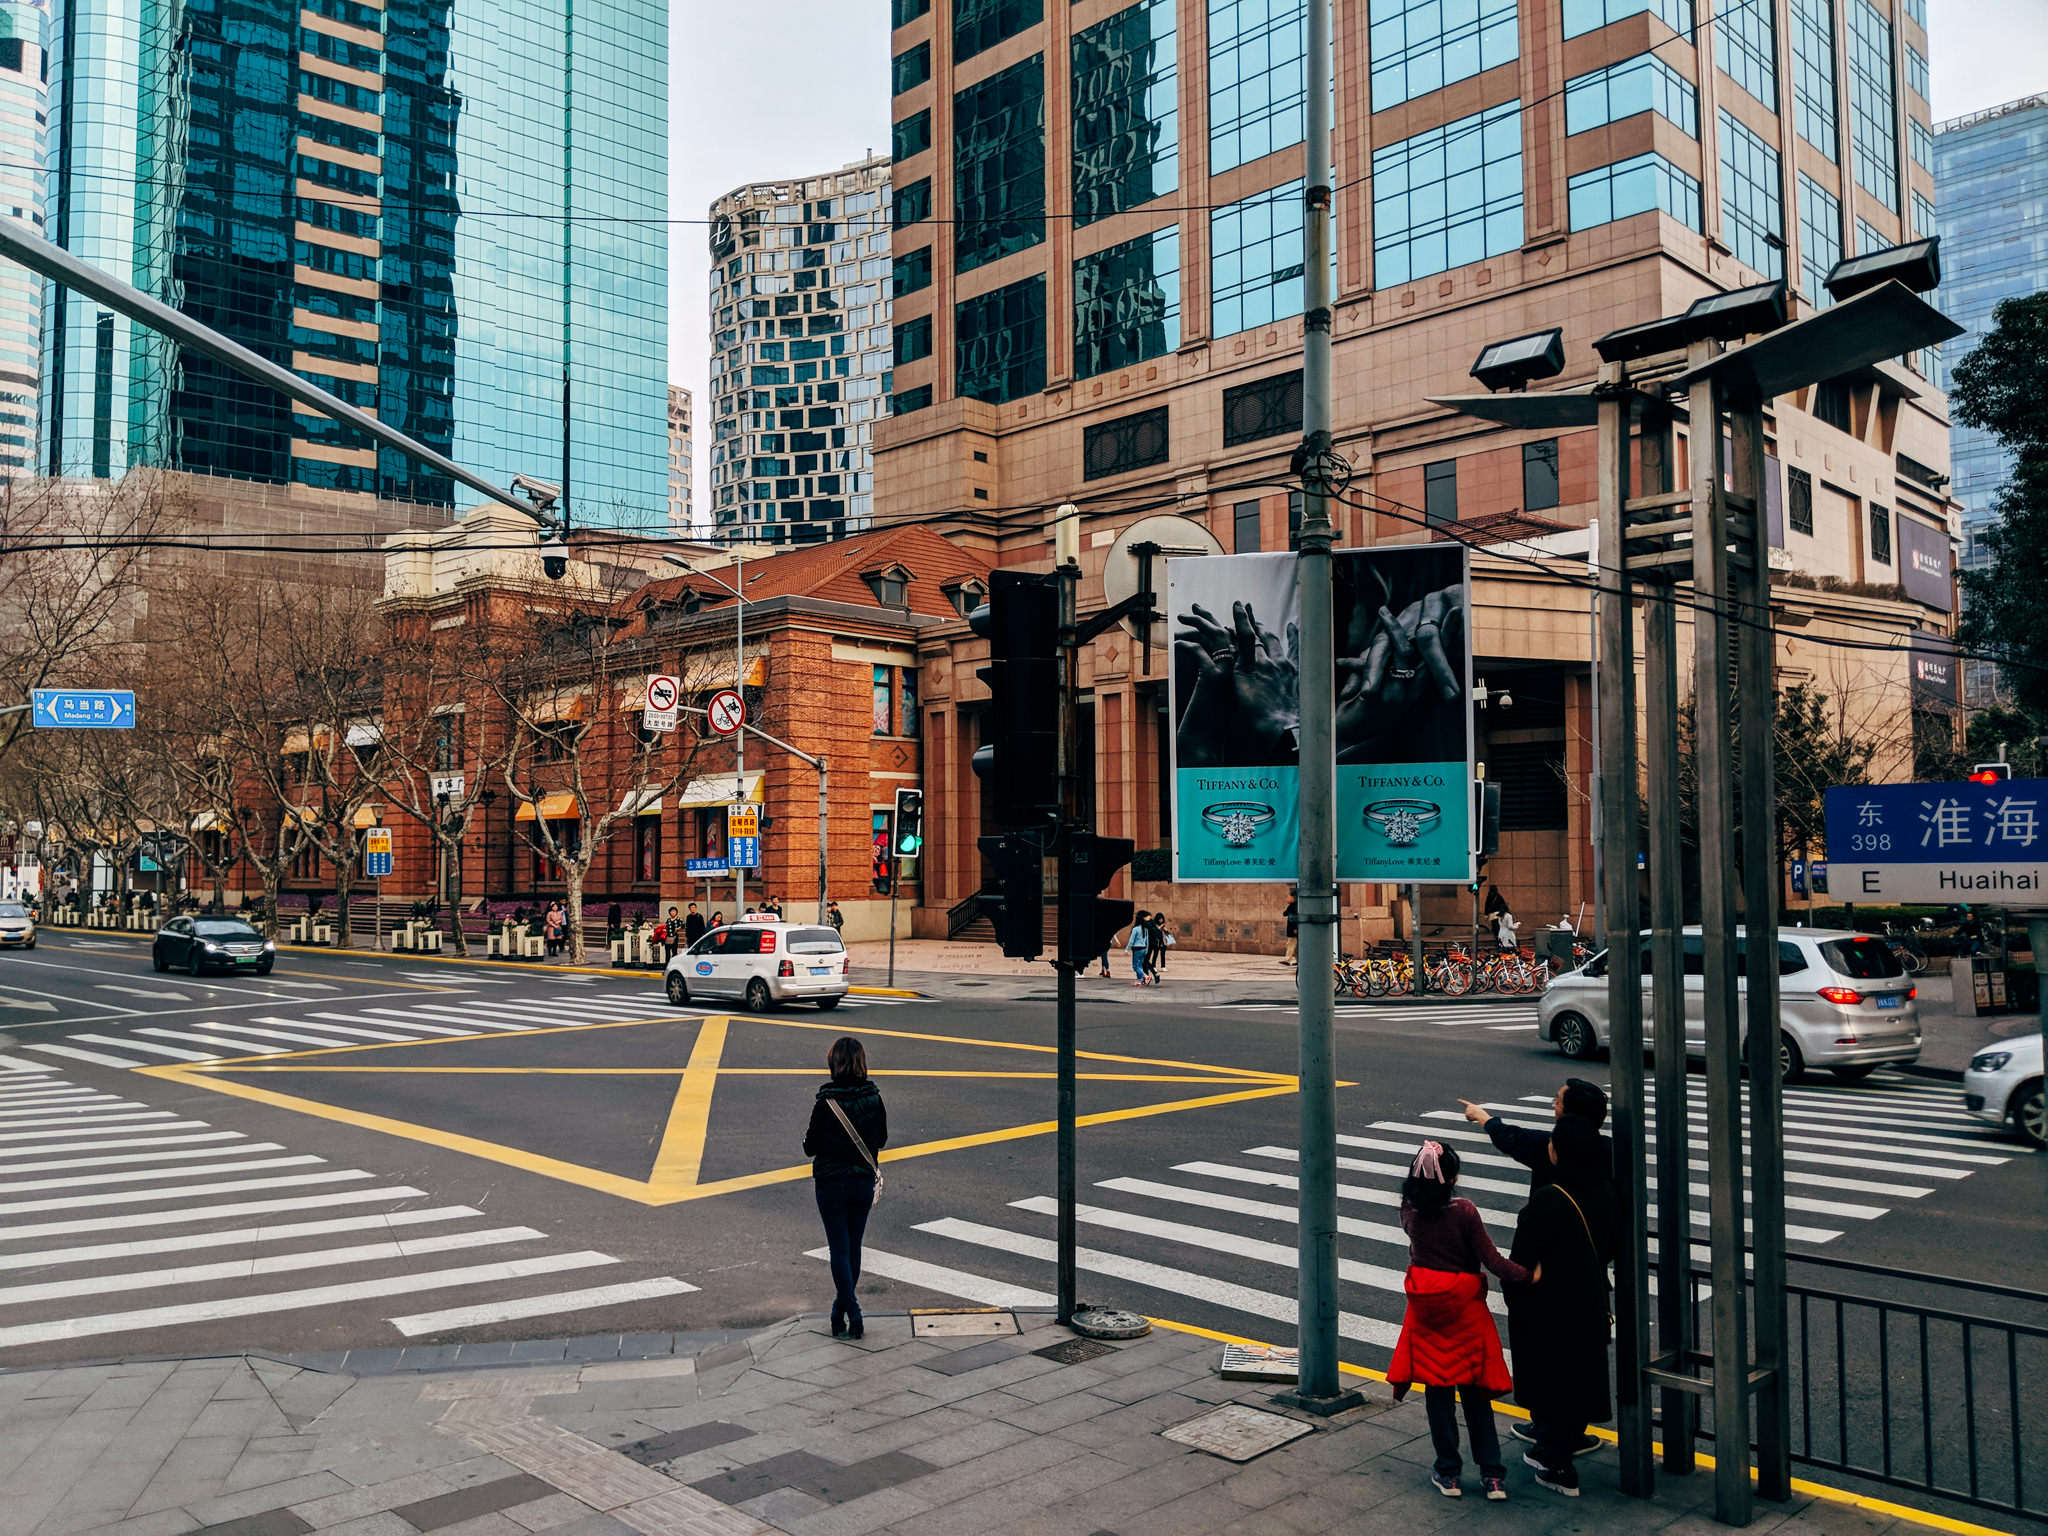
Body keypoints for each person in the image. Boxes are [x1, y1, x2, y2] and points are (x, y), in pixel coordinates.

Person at [1389, 1140, 1528, 1500]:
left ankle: (1448, 1473)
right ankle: (1493, 1475)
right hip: (1466, 1312)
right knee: (1475, 1395)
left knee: (1438, 1394)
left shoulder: (1410, 1210)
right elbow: (1493, 1261)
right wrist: (1529, 1275)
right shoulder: (1464, 1211)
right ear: (1451, 1179)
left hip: (1428, 1312)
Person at [1504, 1116, 1617, 1496]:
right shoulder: (1606, 1191)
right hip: (1589, 1302)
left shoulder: (1550, 1198)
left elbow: (1521, 1264)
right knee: (1577, 1378)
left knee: (1549, 1380)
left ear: (1558, 1153)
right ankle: (1559, 1451)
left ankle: (1556, 1461)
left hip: (1548, 1309)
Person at [803, 1035, 887, 1339]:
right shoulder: (874, 1098)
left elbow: (810, 1147)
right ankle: (840, 1313)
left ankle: (852, 1313)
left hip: (830, 1184)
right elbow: (882, 1140)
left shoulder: (826, 1102)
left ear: (833, 1064)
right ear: (861, 1063)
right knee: (853, 1248)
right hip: (862, 1182)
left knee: (839, 1249)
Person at [1459, 1080, 1610, 1197]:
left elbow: (1509, 1137)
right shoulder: (1611, 1150)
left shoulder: (1548, 1146)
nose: (1554, 1106)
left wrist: (1480, 1116)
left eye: (1557, 1102)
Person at [1144, 912, 1171, 983]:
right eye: (1160, 919)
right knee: (1154, 955)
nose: (1161, 920)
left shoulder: (1161, 925)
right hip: (1155, 943)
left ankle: (1162, 966)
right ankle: (1153, 966)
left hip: (1163, 942)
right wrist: (1160, 927)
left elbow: (1167, 933)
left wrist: (1165, 929)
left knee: (1162, 954)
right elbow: (1155, 931)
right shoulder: (1153, 924)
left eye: (1162, 919)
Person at [1127, 912, 1152, 985]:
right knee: (1140, 965)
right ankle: (1139, 981)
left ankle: (1146, 976)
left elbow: (1131, 940)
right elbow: (1147, 941)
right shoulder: (1145, 929)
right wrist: (1146, 950)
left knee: (1135, 966)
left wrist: (1127, 949)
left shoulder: (1135, 929)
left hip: (1137, 949)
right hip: (1144, 948)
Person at [1283, 891, 1299, 967]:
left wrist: (1296, 928)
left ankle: (1287, 960)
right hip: (1292, 929)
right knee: (1295, 947)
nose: (1287, 899)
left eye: (1288, 897)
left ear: (1293, 898)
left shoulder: (1295, 907)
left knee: (1290, 945)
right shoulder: (1291, 906)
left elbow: (1297, 919)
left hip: (1294, 930)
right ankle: (1298, 960)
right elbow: (1285, 913)